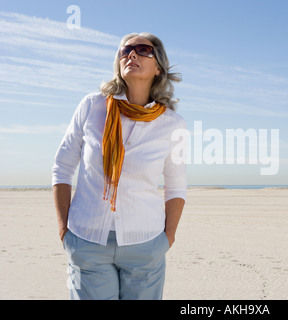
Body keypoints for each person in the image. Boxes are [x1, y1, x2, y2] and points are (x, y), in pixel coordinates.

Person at [52, 32, 187, 300]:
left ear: (158, 67)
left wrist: (167, 239)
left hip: (145, 245)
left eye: (142, 50)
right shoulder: (92, 106)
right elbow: (63, 166)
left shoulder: (173, 124)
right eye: (125, 50)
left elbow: (176, 187)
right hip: (88, 241)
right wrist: (64, 231)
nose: (132, 54)